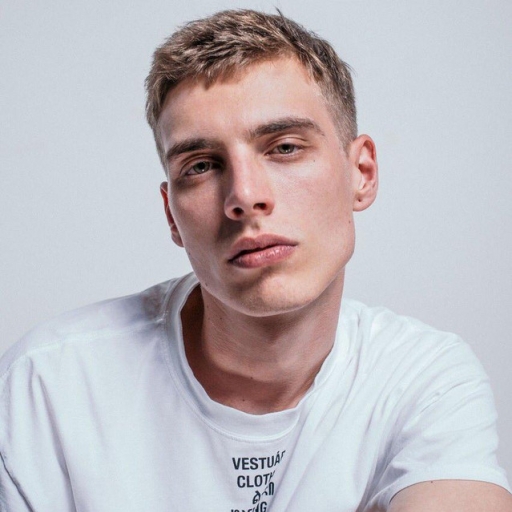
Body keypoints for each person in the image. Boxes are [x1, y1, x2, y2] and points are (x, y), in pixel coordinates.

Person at [0, 9, 510, 512]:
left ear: (362, 172)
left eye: (284, 148)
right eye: (202, 166)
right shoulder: (48, 384)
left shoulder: (422, 379)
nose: (244, 196)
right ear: (172, 215)